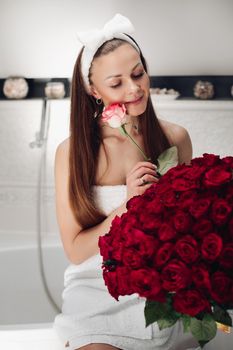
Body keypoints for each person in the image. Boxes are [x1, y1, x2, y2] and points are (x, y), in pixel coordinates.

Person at [53, 13, 198, 350]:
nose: (134, 89)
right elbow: (75, 251)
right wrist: (128, 206)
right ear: (94, 90)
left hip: (159, 288)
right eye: (117, 83)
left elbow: (185, 229)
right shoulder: (72, 152)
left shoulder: (175, 139)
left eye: (138, 74)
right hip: (94, 289)